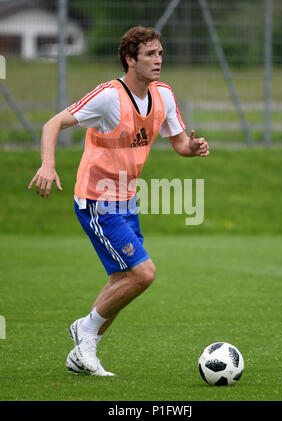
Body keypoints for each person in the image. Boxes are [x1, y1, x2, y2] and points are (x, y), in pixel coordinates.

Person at [28, 26, 209, 376]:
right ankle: (85, 331)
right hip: (97, 201)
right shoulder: (109, 96)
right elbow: (53, 124)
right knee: (143, 274)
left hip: (127, 201)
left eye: (160, 53)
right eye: (150, 55)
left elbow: (179, 144)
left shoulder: (164, 95)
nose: (158, 60)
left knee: (123, 281)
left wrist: (193, 147)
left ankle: (83, 352)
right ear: (130, 59)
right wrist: (48, 165)